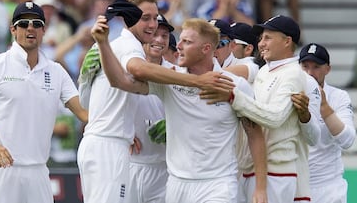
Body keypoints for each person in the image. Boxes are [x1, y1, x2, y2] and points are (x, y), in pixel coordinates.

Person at [91, 16, 267, 203]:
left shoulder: (235, 85)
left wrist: (261, 188)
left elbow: (255, 134)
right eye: (180, 39)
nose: (179, 46)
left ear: (206, 49)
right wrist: (103, 44)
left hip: (218, 185)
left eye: (187, 42)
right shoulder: (170, 80)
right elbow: (120, 81)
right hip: (176, 185)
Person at [0, 1, 88, 203]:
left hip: (38, 172)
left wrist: (119, 130)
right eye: (24, 23)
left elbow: (84, 114)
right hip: (0, 170)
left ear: (44, 30)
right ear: (13, 29)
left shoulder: (56, 71)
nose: (30, 28)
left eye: (37, 24)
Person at [201, 15, 310, 203]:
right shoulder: (265, 71)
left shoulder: (293, 73)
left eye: (268, 37)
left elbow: (274, 117)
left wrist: (232, 97)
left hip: (276, 173)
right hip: (252, 170)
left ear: (287, 41)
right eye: (261, 38)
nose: (261, 44)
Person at [292, 43, 356, 203]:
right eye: (305, 66)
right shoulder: (288, 95)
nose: (310, 73)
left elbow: (348, 141)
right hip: (294, 184)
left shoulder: (338, 97)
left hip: (329, 187)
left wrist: (325, 108)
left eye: (316, 67)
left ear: (328, 69)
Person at [128, 14, 174, 203]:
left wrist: (173, 129)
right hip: (129, 163)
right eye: (155, 34)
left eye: (164, 36)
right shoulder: (127, 69)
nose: (159, 40)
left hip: (164, 168)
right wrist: (124, 132)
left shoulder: (176, 74)